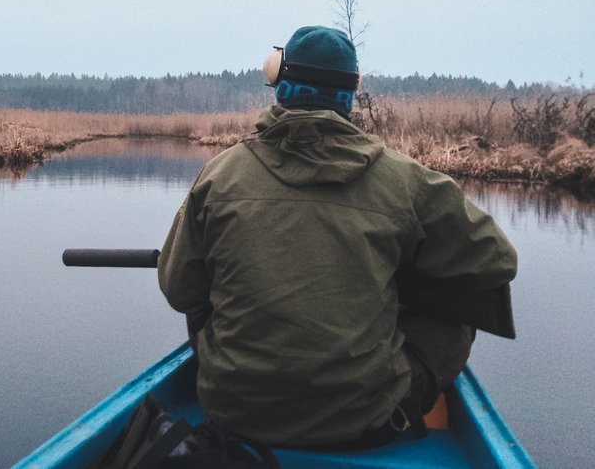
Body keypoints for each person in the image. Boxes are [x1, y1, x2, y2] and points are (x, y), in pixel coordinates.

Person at [157, 25, 518, 450]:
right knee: (456, 321)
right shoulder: (406, 180)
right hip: (362, 422)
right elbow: (497, 261)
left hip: (235, 413)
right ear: (349, 94)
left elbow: (179, 289)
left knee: (202, 306)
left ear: (279, 81)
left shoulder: (218, 174)